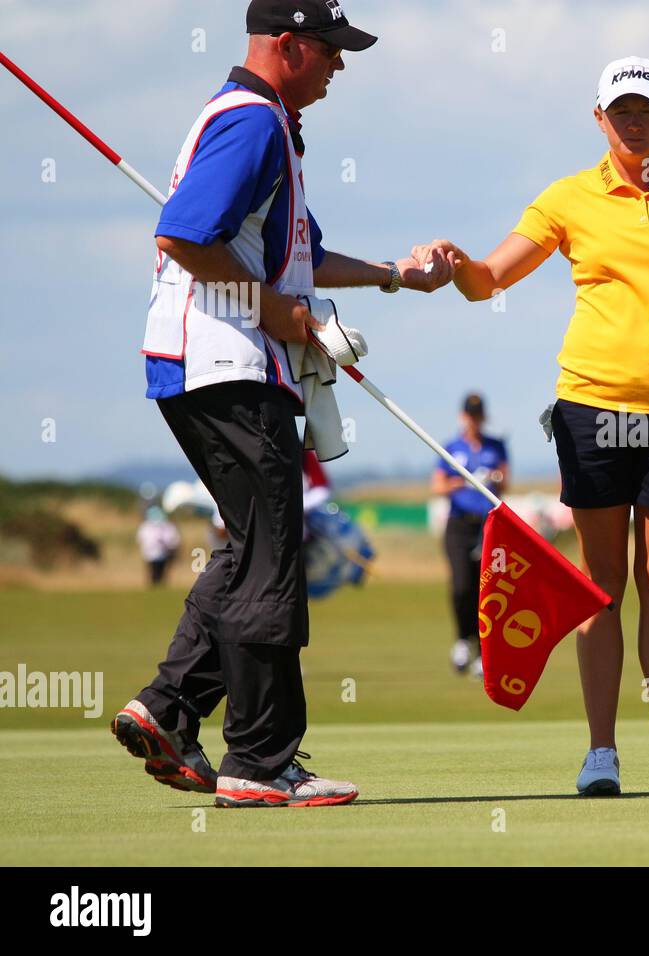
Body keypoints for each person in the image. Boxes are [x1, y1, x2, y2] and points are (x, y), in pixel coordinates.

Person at [110, 0, 454, 808]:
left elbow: (302, 256)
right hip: (226, 362)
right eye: (331, 49)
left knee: (252, 546)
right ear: (287, 44)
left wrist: (397, 275)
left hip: (216, 365)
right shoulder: (254, 124)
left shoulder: (272, 127)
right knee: (273, 559)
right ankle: (260, 762)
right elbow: (184, 236)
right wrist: (275, 314)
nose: (340, 64)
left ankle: (166, 707)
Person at [414, 56, 649, 796]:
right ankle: (602, 753)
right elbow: (491, 278)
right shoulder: (568, 198)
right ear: (598, 118)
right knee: (600, 586)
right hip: (592, 407)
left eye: (646, 110)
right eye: (620, 111)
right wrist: (456, 262)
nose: (634, 122)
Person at [431, 393, 509, 678]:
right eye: (470, 415)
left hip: (487, 525)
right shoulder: (453, 447)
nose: (474, 420)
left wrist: (493, 478)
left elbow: (505, 479)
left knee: (484, 589)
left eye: (478, 415)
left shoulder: (496, 446)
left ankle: (482, 649)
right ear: (463, 416)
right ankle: (463, 639)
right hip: (458, 525)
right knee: (461, 585)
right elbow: (437, 485)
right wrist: (463, 480)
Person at [137, 506, 181, 587]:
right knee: (152, 572)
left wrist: (167, 544)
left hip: (164, 554)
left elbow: (173, 539)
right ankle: (153, 586)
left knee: (162, 572)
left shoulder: (167, 526)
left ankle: (160, 586)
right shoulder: (145, 527)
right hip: (150, 554)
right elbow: (142, 539)